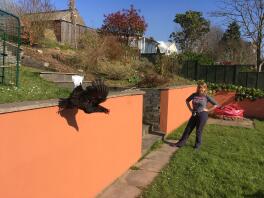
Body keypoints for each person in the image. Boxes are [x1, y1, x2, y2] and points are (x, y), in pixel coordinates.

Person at [173, 82, 219, 150]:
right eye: (199, 87)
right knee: (188, 129)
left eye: (202, 87)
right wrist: (190, 109)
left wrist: (208, 110)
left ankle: (197, 146)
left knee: (198, 130)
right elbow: (187, 101)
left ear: (204, 88)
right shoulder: (194, 95)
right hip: (194, 114)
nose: (200, 89)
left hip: (202, 115)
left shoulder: (206, 96)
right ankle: (180, 143)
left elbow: (216, 104)